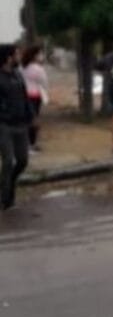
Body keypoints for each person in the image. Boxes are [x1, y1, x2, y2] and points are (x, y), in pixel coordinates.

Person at [0, 43, 34, 211]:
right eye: (17, 54)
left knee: (22, 160)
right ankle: (5, 198)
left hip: (21, 124)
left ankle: (9, 183)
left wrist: (31, 116)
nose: (19, 57)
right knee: (8, 161)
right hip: (4, 125)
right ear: (8, 58)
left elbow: (24, 97)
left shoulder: (18, 75)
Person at [19, 44, 48, 152]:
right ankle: (31, 144)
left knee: (26, 120)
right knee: (34, 120)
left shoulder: (21, 68)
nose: (41, 56)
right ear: (35, 55)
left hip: (23, 96)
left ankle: (25, 143)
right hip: (35, 96)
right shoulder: (38, 69)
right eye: (40, 54)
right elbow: (44, 82)